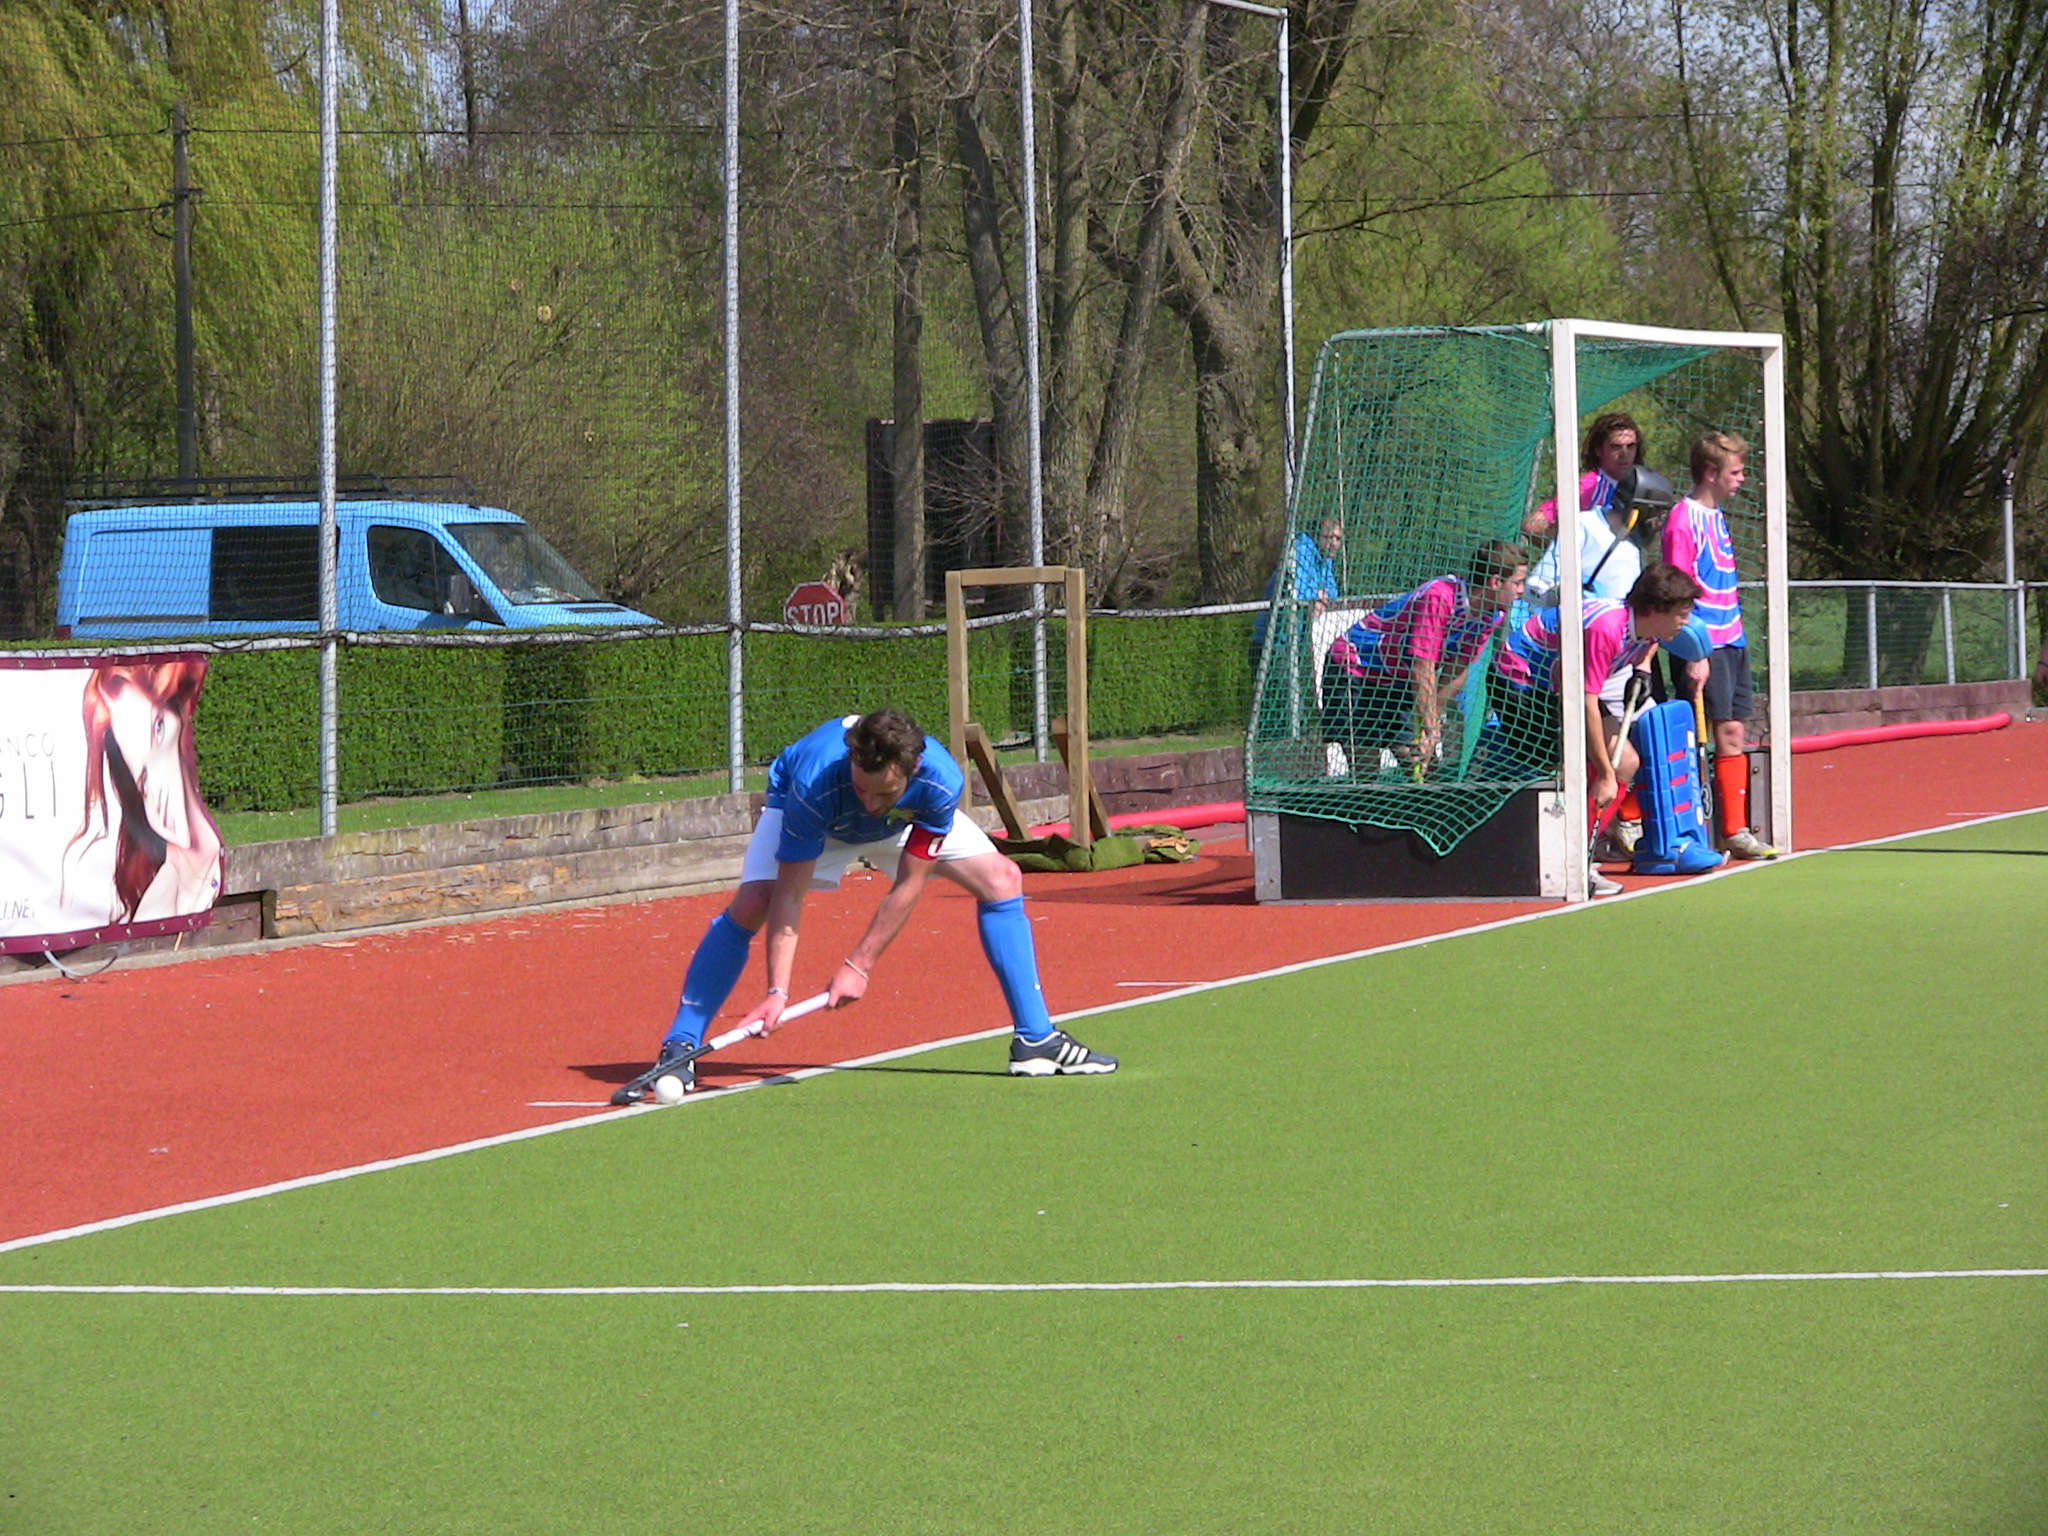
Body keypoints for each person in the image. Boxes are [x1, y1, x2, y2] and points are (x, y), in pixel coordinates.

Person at [638, 708, 1116, 1095]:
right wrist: (777, 992)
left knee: (1002, 879)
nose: (870, 801)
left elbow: (910, 882)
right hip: (822, 818)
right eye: (862, 787)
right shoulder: (815, 784)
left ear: (912, 770)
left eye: (882, 790)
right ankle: (680, 1045)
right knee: (755, 901)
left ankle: (1036, 1039)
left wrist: (859, 964)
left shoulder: (938, 783)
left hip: (900, 821)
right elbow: (790, 896)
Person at [1511, 564, 1703, 894]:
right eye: (1681, 614)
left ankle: (1583, 852)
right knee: (1579, 767)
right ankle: (1566, 857)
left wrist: (1642, 667)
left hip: (1565, 683)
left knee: (1625, 761)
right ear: (1656, 609)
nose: (1685, 623)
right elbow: (1585, 704)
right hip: (1524, 678)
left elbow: (1651, 641)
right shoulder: (1607, 629)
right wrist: (1603, 773)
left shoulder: (1647, 626)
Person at [1660, 431, 1777, 859]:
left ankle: (1735, 830)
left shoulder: (1718, 517)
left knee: (1734, 730)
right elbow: (1676, 590)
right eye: (1736, 472)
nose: (1742, 479)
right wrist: (1695, 652)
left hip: (1734, 639)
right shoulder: (1682, 519)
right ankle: (1653, 822)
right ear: (1710, 474)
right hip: (1706, 646)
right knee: (1695, 737)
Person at [1322, 540, 1527, 776]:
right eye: (1517, 583)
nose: (1522, 590)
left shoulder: (1491, 616)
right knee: (1366, 768)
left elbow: (1457, 670)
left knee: (1423, 764)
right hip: (1355, 667)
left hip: (1397, 679)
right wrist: (1428, 725)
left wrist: (1432, 725)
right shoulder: (1441, 596)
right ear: (1495, 581)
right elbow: (1423, 666)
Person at [61, 659, 225, 924]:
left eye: (158, 730)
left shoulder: (206, 867)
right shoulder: (160, 905)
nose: (159, 790)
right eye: (144, 782)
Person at [1523, 411, 1648, 605]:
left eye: (1630, 446)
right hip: (1587, 594)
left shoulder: (1643, 488)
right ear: (1599, 450)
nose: (1624, 454)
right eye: (1616, 447)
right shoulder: (1588, 486)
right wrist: (1572, 550)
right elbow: (1532, 525)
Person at [1251, 516, 1343, 668]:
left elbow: (1332, 592)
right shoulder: (1299, 550)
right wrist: (1315, 596)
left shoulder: (1325, 559)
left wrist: (1323, 598)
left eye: (1337, 538)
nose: (1333, 543)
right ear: (1316, 535)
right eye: (1328, 537)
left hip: (1299, 643)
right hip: (1273, 643)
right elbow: (1295, 589)